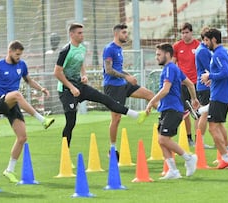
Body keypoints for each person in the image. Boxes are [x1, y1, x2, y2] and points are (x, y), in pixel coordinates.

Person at [55, 23, 142, 148]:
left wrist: (84, 75)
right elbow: (57, 72)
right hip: (66, 90)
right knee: (71, 123)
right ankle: (65, 154)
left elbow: (80, 63)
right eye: (79, 33)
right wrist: (71, 87)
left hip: (80, 86)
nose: (82, 35)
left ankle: (134, 114)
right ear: (71, 34)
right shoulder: (65, 51)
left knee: (105, 99)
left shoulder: (82, 48)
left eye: (82, 32)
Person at [0, 40, 55, 183]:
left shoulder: (21, 65)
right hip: (0, 102)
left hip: (13, 103)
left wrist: (41, 88)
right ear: (10, 51)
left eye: (20, 55)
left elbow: (28, 81)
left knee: (22, 138)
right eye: (17, 54)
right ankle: (42, 120)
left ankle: (9, 170)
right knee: (17, 94)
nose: (19, 57)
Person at [144, 42, 198, 179]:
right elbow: (190, 83)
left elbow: (166, 89)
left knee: (163, 139)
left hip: (173, 109)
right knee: (161, 140)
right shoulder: (173, 69)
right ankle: (173, 171)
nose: (156, 57)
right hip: (167, 109)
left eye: (158, 54)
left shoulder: (170, 68)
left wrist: (151, 101)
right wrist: (194, 99)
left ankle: (189, 158)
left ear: (167, 55)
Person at [102, 23, 156, 157]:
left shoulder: (119, 49)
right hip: (113, 87)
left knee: (149, 94)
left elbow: (118, 69)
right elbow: (108, 70)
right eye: (124, 33)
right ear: (116, 34)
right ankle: (112, 149)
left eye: (127, 33)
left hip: (123, 84)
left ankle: (167, 114)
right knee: (116, 118)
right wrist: (127, 77)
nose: (126, 35)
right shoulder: (109, 49)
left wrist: (128, 77)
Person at [201, 28, 228, 169]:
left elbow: (226, 73)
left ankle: (226, 159)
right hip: (224, 94)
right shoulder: (225, 52)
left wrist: (210, 76)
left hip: (219, 96)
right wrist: (213, 79)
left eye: (207, 40)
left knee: (212, 128)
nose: (205, 43)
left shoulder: (218, 54)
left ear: (214, 39)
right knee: (219, 125)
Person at [172, 22, 200, 147]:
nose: (184, 35)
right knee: (185, 112)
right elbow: (173, 64)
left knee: (197, 111)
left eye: (186, 32)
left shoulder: (198, 45)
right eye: (182, 33)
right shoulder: (177, 46)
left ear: (191, 32)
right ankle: (189, 138)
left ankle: (198, 138)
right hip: (182, 83)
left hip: (196, 82)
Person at [195, 26, 214, 149]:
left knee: (208, 113)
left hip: (204, 85)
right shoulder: (203, 51)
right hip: (205, 85)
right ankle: (200, 141)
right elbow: (209, 68)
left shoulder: (203, 49)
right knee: (204, 113)